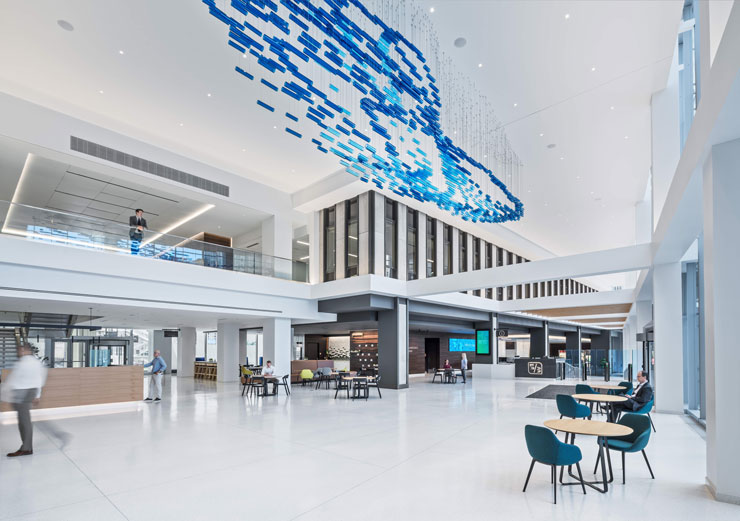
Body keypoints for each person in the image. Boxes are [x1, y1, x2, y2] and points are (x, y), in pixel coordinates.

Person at [2, 343, 46, 457]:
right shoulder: (37, 362)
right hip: (30, 392)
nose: (18, 352)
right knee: (25, 420)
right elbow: (40, 378)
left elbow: (12, 380)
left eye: (20, 350)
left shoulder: (22, 363)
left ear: (26, 350)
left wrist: (4, 394)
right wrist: (37, 395)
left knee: (24, 421)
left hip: (22, 393)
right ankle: (27, 447)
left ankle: (26, 448)